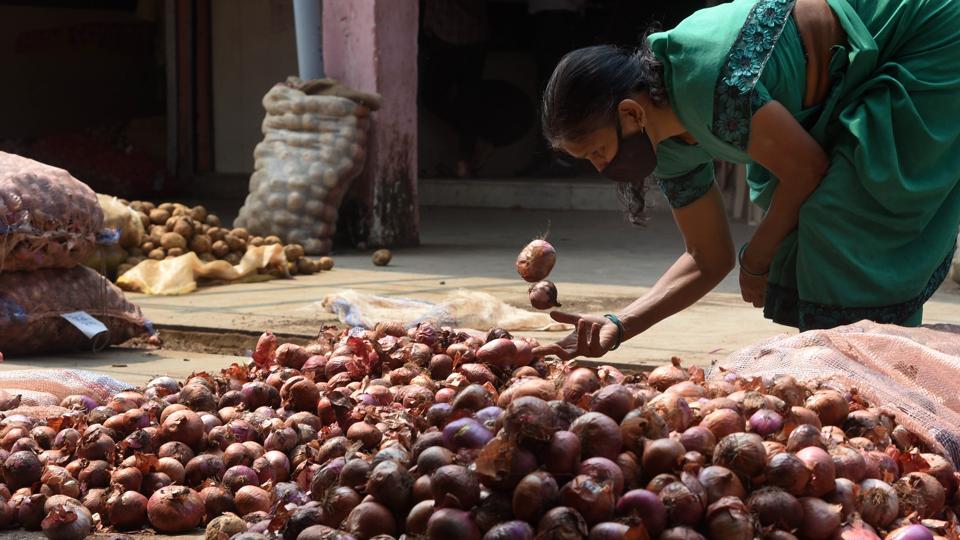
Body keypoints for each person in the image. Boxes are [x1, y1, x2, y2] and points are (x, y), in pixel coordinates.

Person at [533, 0, 960, 360]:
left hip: (925, 33)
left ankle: (879, 375)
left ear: (629, 113)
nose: (601, 168)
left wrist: (756, 256)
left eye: (596, 151)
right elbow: (706, 256)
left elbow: (807, 170)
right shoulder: (667, 143)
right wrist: (620, 323)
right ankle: (854, 369)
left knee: (839, 214)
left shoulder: (711, 82)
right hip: (853, 74)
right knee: (793, 223)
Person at [419, 0, 489, 178]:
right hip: (462, 34)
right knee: (463, 100)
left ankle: (467, 156)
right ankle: (468, 152)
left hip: (452, 35)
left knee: (461, 99)